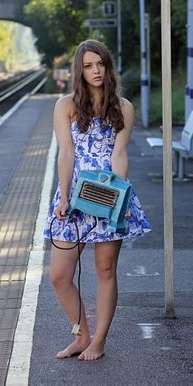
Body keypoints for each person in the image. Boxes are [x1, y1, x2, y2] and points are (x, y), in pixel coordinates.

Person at [43, 39, 151, 361]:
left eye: (100, 64)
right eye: (88, 66)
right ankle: (81, 334)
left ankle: (99, 341)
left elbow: (119, 154)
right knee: (59, 275)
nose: (95, 71)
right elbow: (67, 153)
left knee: (105, 270)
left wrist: (118, 200)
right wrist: (63, 198)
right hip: (74, 197)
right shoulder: (65, 105)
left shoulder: (124, 107)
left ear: (108, 66)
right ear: (80, 69)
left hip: (110, 197)